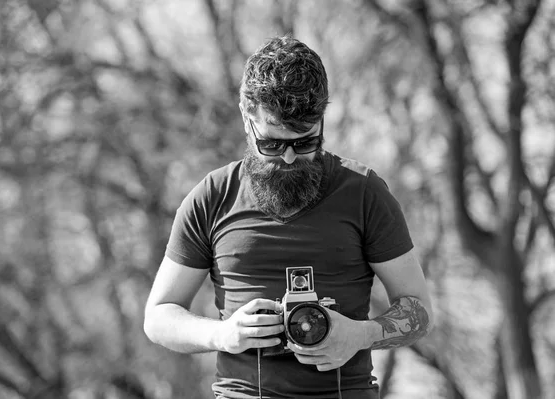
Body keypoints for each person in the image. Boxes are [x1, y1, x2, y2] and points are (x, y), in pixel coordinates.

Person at [143, 35, 433, 399]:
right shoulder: (212, 197)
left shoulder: (364, 192)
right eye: (272, 144)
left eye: (306, 142)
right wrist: (222, 334)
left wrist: (360, 335)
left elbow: (419, 310)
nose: (290, 158)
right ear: (246, 116)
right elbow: (158, 317)